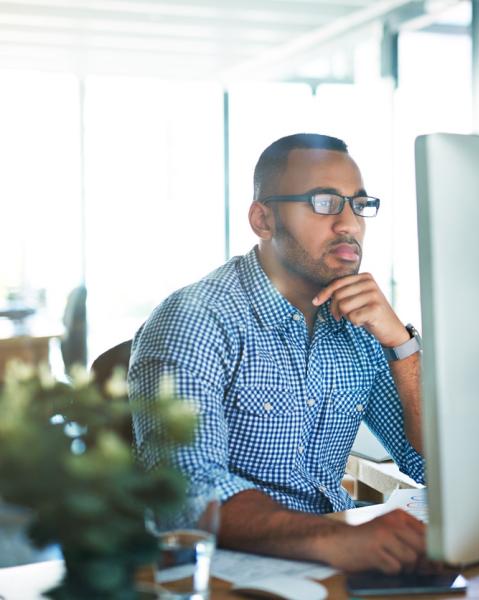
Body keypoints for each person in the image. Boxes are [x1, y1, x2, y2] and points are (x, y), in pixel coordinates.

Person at [129, 133, 426, 573]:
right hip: (220, 572)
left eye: (358, 205)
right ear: (263, 219)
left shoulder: (362, 323)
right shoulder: (195, 320)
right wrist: (337, 538)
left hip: (330, 562)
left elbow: (432, 465)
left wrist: (403, 345)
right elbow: (189, 494)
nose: (349, 224)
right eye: (325, 202)